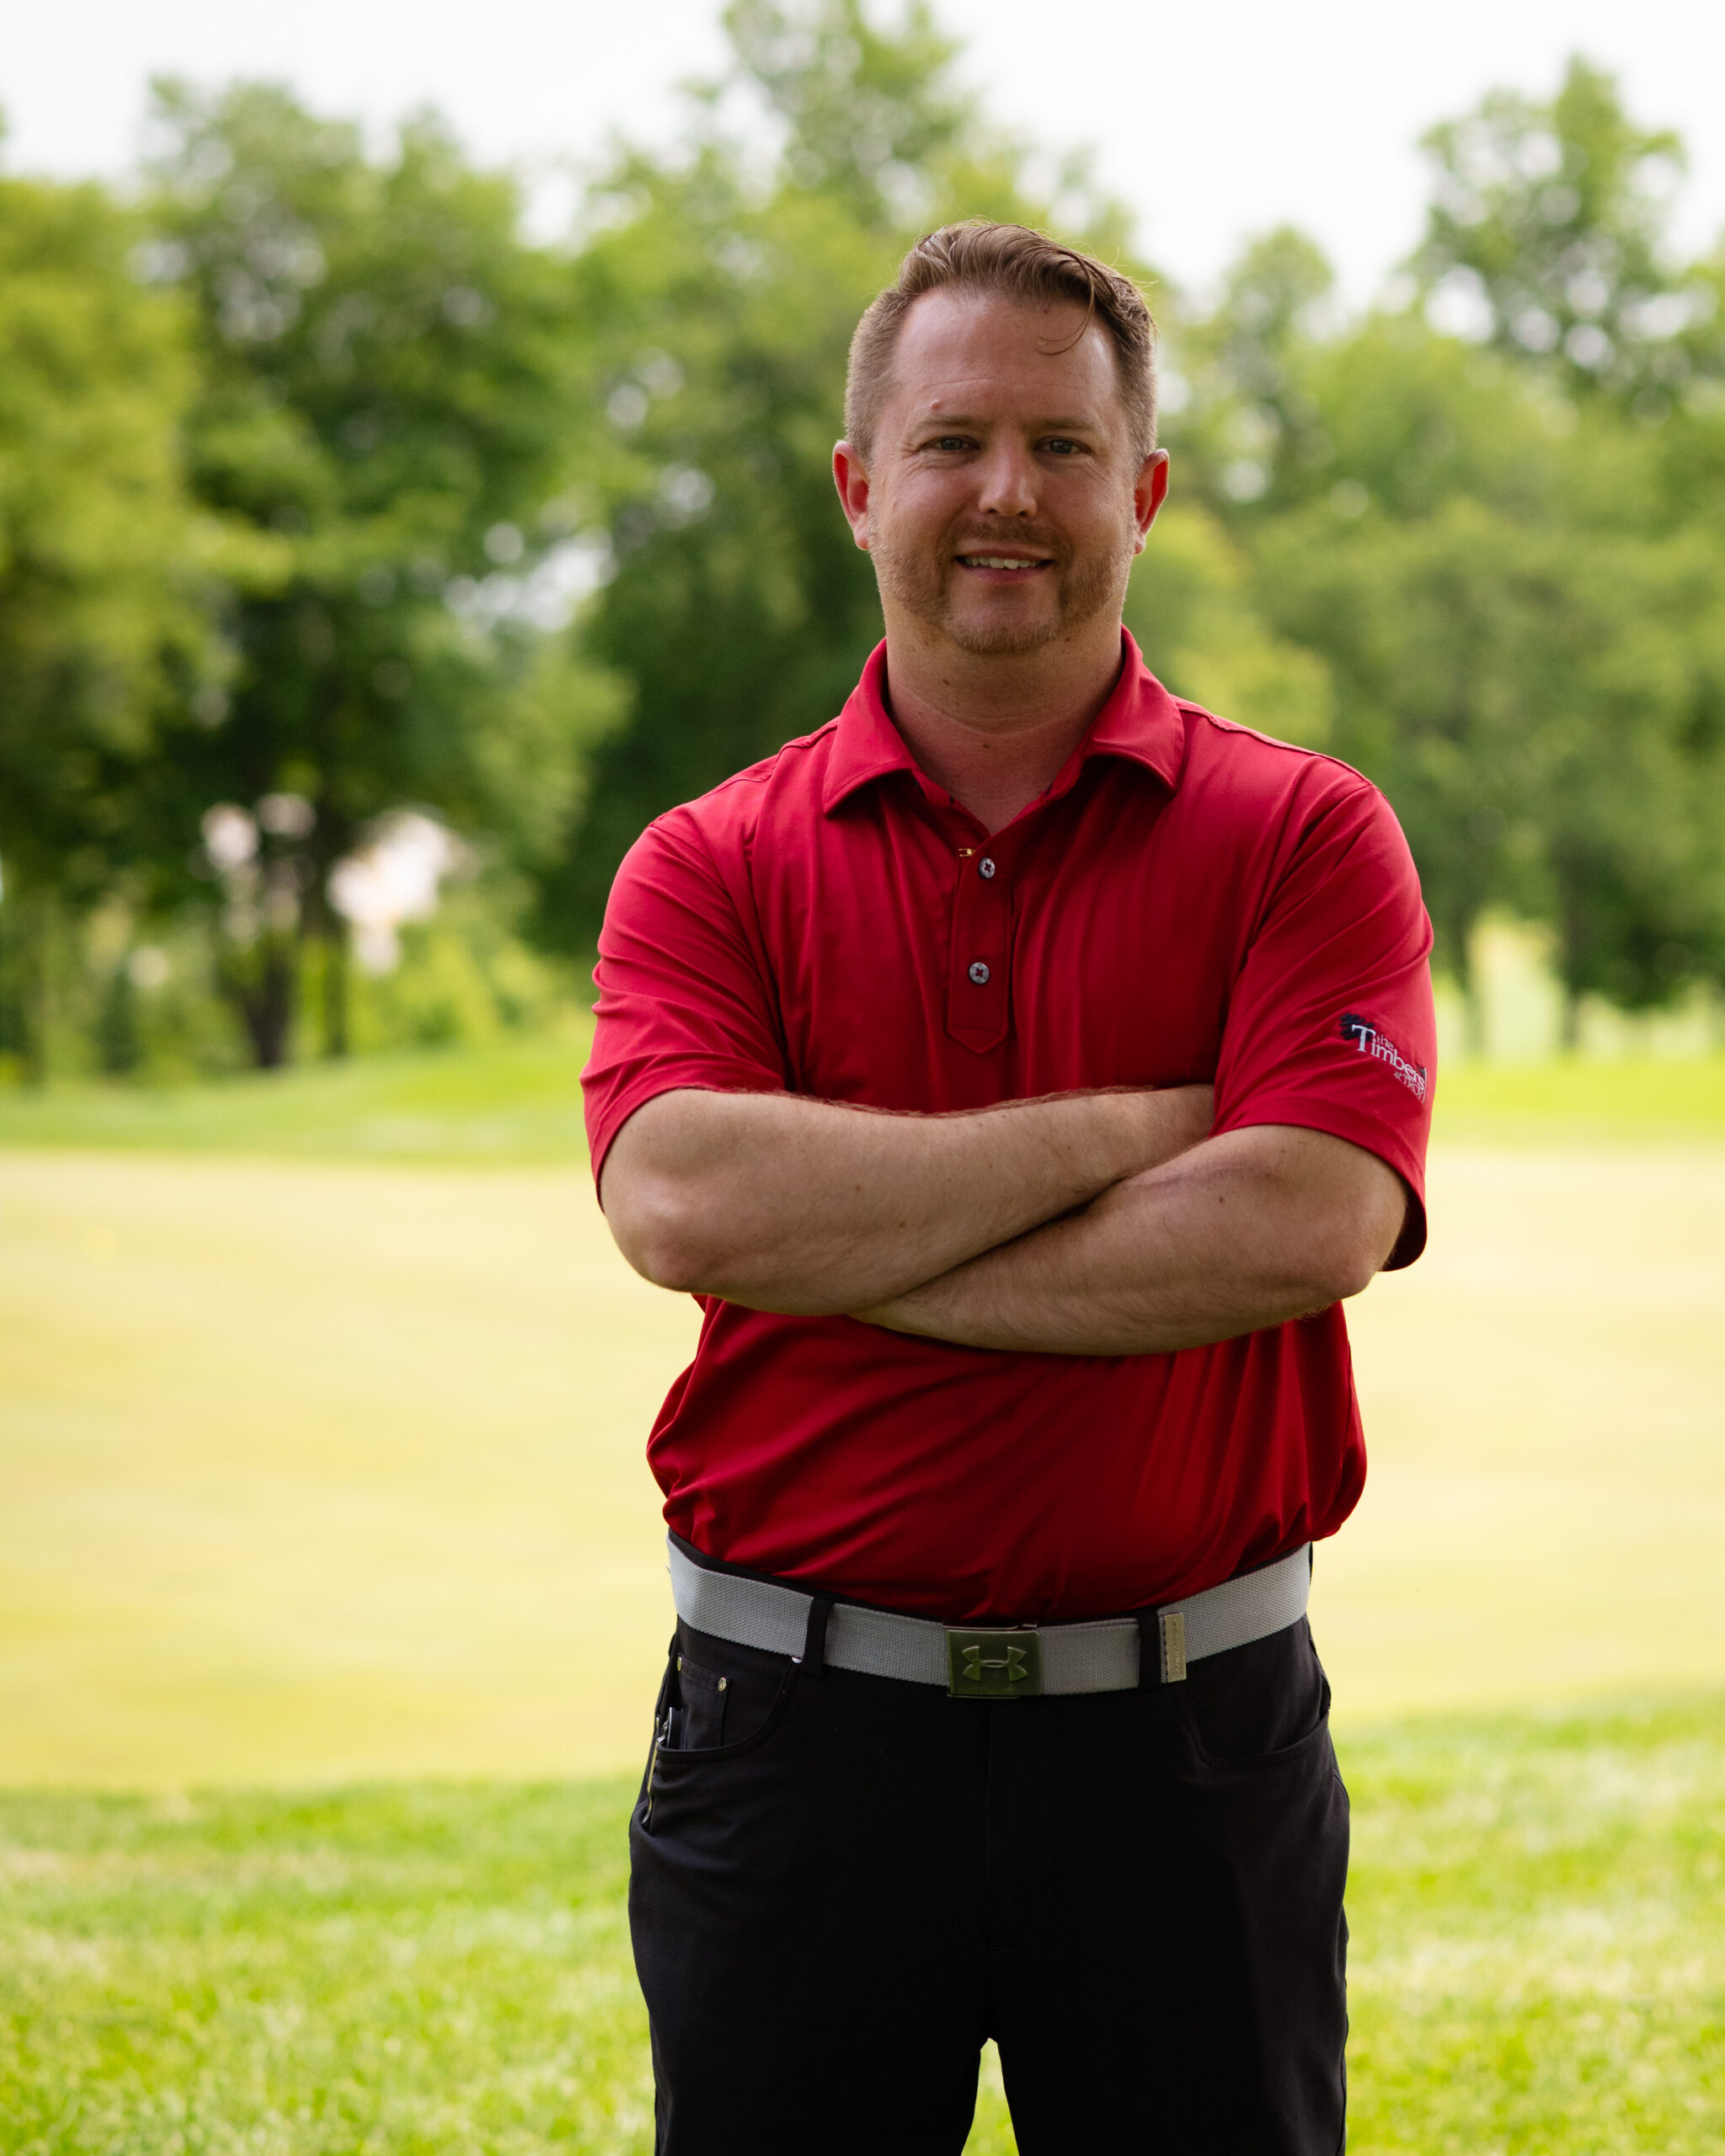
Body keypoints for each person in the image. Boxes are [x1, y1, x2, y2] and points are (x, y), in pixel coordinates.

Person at [583, 221, 1434, 2155]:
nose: (1006, 494)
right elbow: (684, 1202)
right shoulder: (706, 860)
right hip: (788, 1736)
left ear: (1141, 492)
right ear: (857, 483)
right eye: (951, 440)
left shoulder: (1304, 832)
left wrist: (839, 1240)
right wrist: (1141, 1126)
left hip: (1191, 1744)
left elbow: (1306, 1217)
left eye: (1061, 447)